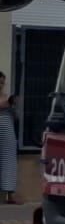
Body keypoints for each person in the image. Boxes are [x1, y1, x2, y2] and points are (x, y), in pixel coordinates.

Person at [0, 71, 17, 205]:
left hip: (8, 130)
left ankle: (10, 196)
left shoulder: (7, 97)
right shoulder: (4, 100)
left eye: (3, 83)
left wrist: (13, 106)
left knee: (9, 161)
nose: (1, 85)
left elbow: (16, 117)